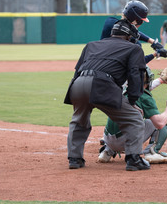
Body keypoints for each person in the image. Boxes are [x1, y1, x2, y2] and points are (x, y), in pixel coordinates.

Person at [64, 19, 151, 171]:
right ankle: (133, 159)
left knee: (79, 121)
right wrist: (132, 101)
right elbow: (135, 76)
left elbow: (77, 70)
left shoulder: (91, 45)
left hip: (77, 84)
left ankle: (75, 159)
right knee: (135, 119)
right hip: (102, 84)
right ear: (129, 35)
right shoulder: (133, 48)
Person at [98, 66, 167, 164]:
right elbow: (160, 123)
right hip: (125, 141)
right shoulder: (144, 97)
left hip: (107, 139)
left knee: (120, 118)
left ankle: (107, 152)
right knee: (166, 120)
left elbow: (139, 86)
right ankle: (152, 152)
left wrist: (161, 80)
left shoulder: (119, 89)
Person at [101, 0, 167, 63]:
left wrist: (153, 42)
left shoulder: (110, 22)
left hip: (97, 66)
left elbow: (129, 31)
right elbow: (139, 63)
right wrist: (155, 53)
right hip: (111, 72)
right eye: (141, 21)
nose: (142, 23)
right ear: (135, 20)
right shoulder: (133, 43)